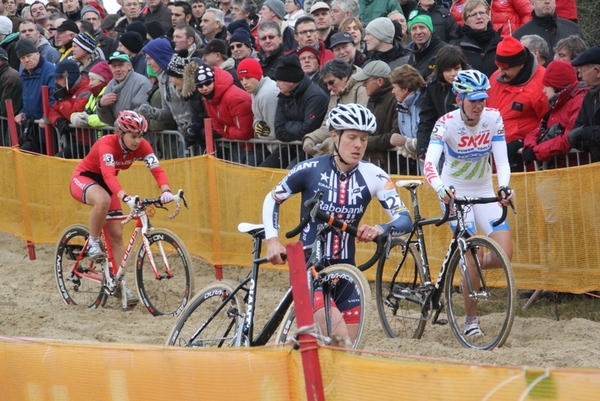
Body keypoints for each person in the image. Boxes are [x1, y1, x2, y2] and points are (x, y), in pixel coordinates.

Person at [263, 103, 413, 344]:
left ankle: (298, 347)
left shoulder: (375, 175)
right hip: (309, 268)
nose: (358, 145)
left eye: (364, 139)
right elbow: (272, 199)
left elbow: (405, 219)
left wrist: (381, 228)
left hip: (346, 273)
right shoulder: (310, 169)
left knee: (346, 351)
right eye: (352, 137)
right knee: (339, 338)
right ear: (334, 136)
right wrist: (272, 240)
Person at [423, 69, 514, 337]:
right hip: (455, 194)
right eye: (473, 99)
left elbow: (503, 160)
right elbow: (430, 163)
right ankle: (470, 321)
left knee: (504, 255)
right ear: (458, 98)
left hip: (484, 191)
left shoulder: (493, 119)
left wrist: (504, 187)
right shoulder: (445, 124)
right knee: (472, 256)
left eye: (482, 99)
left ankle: (464, 262)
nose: (479, 105)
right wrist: (441, 188)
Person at [69, 110, 173, 305]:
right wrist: (125, 196)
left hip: (108, 185)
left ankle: (120, 284)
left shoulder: (142, 146)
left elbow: (156, 168)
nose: (137, 141)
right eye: (133, 136)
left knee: (116, 235)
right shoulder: (107, 144)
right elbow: (108, 176)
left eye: (140, 136)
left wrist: (166, 190)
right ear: (120, 133)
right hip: (84, 178)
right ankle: (92, 241)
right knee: (102, 201)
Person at [486, 36, 549, 171]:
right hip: (496, 157)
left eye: (506, 69)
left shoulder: (542, 83)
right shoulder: (495, 78)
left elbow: (548, 124)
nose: (501, 73)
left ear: (520, 64)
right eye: (499, 67)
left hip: (525, 163)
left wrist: (524, 143)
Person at [261, 53, 329, 168]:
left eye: (279, 80)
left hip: (311, 151)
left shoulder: (315, 97)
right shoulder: (284, 94)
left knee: (289, 176)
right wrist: (297, 128)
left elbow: (308, 130)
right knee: (262, 172)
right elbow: (279, 130)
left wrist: (287, 125)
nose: (276, 85)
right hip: (291, 148)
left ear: (291, 81)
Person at [522, 60, 587, 169]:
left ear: (557, 86)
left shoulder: (577, 102)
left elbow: (569, 139)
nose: (543, 90)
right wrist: (530, 146)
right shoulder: (558, 102)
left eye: (547, 86)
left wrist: (537, 152)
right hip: (560, 168)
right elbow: (538, 130)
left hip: (577, 170)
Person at [303, 58, 367, 156]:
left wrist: (336, 140)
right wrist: (311, 138)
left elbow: (362, 125)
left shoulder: (362, 89)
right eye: (326, 84)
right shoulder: (334, 93)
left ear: (345, 77)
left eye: (331, 82)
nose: (328, 88)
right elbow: (328, 124)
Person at [416, 45, 467, 162]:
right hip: (445, 145)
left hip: (469, 143)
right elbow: (427, 118)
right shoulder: (434, 86)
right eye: (448, 70)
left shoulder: (472, 83)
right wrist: (423, 147)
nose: (453, 73)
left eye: (456, 68)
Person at [512, 0, 586, 61]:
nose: (547, 1)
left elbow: (585, 59)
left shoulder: (572, 29)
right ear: (532, 3)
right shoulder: (520, 35)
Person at [237, 57, 279, 162]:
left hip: (280, 147)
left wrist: (258, 133)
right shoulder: (255, 89)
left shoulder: (267, 94)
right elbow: (258, 116)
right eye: (241, 79)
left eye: (247, 77)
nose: (244, 83)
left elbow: (273, 133)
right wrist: (256, 124)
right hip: (273, 146)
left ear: (257, 76)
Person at [97, 51, 153, 126]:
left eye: (120, 65)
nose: (117, 69)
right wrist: (101, 105)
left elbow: (143, 111)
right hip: (121, 133)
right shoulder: (110, 85)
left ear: (129, 66)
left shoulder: (142, 82)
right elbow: (108, 121)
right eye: (114, 66)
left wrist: (121, 123)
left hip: (138, 135)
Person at [450, 0, 500, 77]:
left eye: (482, 13)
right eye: (473, 14)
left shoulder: (501, 43)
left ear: (488, 16)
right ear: (465, 21)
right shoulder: (458, 49)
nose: (479, 17)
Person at [567, 46, 600, 162]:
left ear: (597, 71)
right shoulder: (590, 96)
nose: (579, 76)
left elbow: (581, 131)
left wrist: (584, 133)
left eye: (582, 71)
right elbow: (577, 128)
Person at [389, 64, 427, 164]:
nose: (392, 92)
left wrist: (407, 143)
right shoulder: (401, 106)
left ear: (405, 89)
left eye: (394, 87)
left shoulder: (425, 104)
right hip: (421, 161)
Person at [450, 0, 531, 37]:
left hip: (510, 44)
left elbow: (529, 13)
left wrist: (519, 37)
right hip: (478, 47)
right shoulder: (459, 4)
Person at [407, 12, 447, 79]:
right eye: (414, 28)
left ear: (430, 29)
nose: (418, 32)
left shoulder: (443, 52)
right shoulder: (411, 52)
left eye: (422, 27)